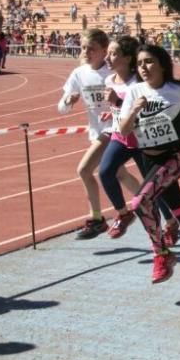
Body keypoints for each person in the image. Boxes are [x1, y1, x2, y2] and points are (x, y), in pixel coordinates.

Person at [119, 44, 180, 282]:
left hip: (175, 156)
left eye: (149, 61)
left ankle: (161, 254)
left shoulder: (178, 90)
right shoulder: (134, 92)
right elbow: (123, 130)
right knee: (178, 207)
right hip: (148, 159)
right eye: (140, 63)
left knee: (140, 201)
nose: (144, 67)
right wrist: (133, 111)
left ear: (163, 65)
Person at [97, 35, 178, 242]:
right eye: (108, 53)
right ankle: (123, 213)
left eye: (114, 53)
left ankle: (170, 222)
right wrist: (112, 111)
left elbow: (149, 104)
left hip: (143, 141)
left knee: (152, 188)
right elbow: (120, 110)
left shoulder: (139, 81)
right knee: (106, 172)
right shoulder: (109, 80)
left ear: (126, 58)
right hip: (121, 137)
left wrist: (118, 100)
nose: (108, 57)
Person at [57, 29, 115, 239]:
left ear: (104, 50)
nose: (86, 52)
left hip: (114, 129)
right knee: (119, 174)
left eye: (91, 48)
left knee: (84, 170)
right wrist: (68, 101)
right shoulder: (79, 73)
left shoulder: (113, 71)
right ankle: (150, 205)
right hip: (96, 131)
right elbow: (61, 108)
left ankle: (97, 218)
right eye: (83, 48)